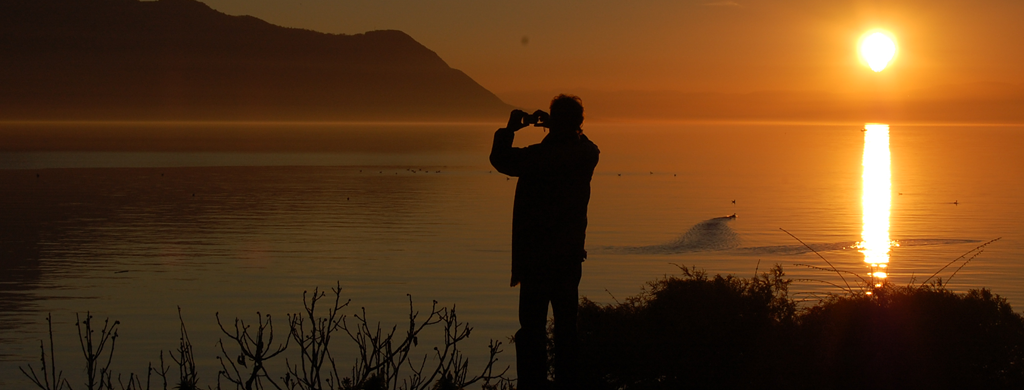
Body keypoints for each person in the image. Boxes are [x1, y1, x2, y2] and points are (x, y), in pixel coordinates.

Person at [489, 94, 600, 390]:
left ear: (554, 122)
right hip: (569, 255)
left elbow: (501, 159)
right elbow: (589, 145)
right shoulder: (585, 154)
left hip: (536, 258)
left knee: (532, 330)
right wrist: (560, 126)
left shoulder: (540, 157)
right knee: (567, 329)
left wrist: (510, 129)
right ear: (579, 122)